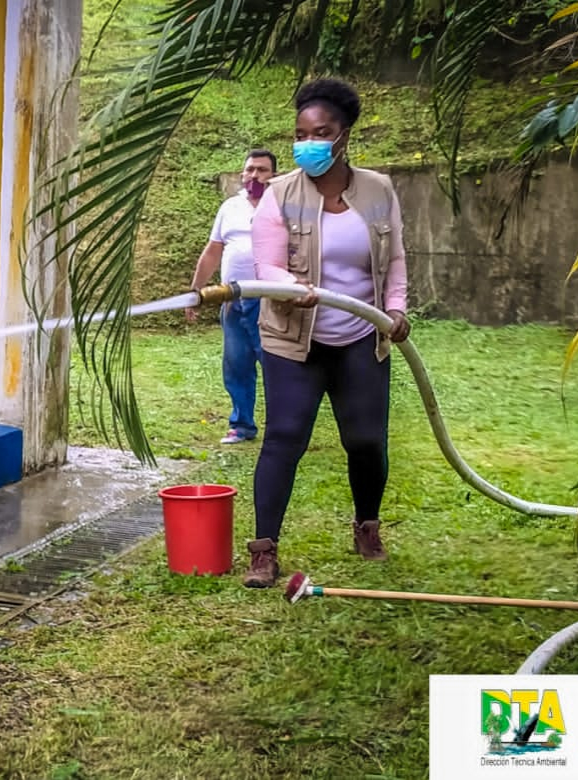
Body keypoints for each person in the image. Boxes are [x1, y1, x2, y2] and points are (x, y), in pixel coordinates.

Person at [242, 77, 411, 589]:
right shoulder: (279, 194)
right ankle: (263, 551)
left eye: (320, 132)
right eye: (300, 132)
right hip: (294, 340)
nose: (307, 142)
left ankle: (367, 527)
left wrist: (397, 309)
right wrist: (291, 286)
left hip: (362, 335)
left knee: (365, 440)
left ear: (344, 136)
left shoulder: (379, 190)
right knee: (284, 438)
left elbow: (395, 258)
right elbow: (264, 265)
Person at [186, 149, 277, 444]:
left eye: (262, 170)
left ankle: (283, 426)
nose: (254, 175)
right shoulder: (230, 207)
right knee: (237, 363)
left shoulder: (283, 205)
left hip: (270, 299)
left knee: (275, 363)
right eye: (250, 169)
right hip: (231, 299)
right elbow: (213, 250)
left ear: (274, 175)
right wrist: (196, 290)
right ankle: (242, 425)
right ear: (241, 174)